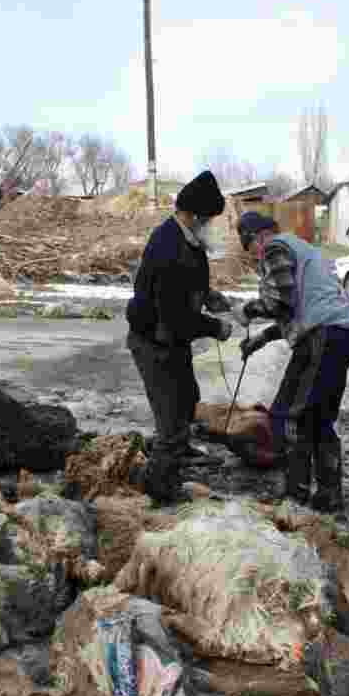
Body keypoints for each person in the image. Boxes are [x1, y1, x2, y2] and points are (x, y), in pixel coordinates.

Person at [232, 211, 349, 513]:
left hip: (322, 337)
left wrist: (246, 310)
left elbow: (280, 301)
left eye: (251, 249)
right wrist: (263, 338)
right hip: (341, 333)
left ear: (258, 237)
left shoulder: (274, 247)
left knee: (287, 416)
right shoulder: (301, 248)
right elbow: (301, 308)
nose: (255, 257)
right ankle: (328, 494)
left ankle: (295, 497)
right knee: (320, 418)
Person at [125, 170, 235, 505]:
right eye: (210, 219)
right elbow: (174, 317)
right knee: (170, 421)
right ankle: (159, 489)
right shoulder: (169, 247)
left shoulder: (188, 238)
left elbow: (190, 286)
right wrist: (215, 328)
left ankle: (181, 452)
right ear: (196, 215)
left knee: (188, 398)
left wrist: (209, 296)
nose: (212, 225)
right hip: (155, 340)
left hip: (173, 338)